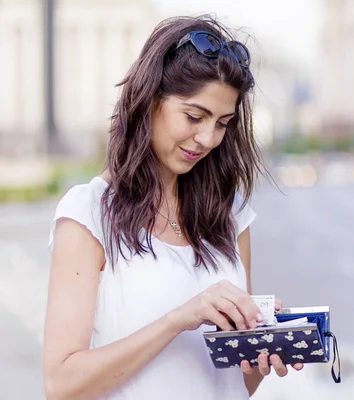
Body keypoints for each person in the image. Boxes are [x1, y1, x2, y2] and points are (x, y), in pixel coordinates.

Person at [42, 15, 302, 400]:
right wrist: (179, 319)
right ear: (150, 101)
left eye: (222, 122)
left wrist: (259, 357)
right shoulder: (88, 215)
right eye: (194, 117)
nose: (208, 138)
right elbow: (61, 384)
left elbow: (234, 385)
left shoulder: (230, 216)